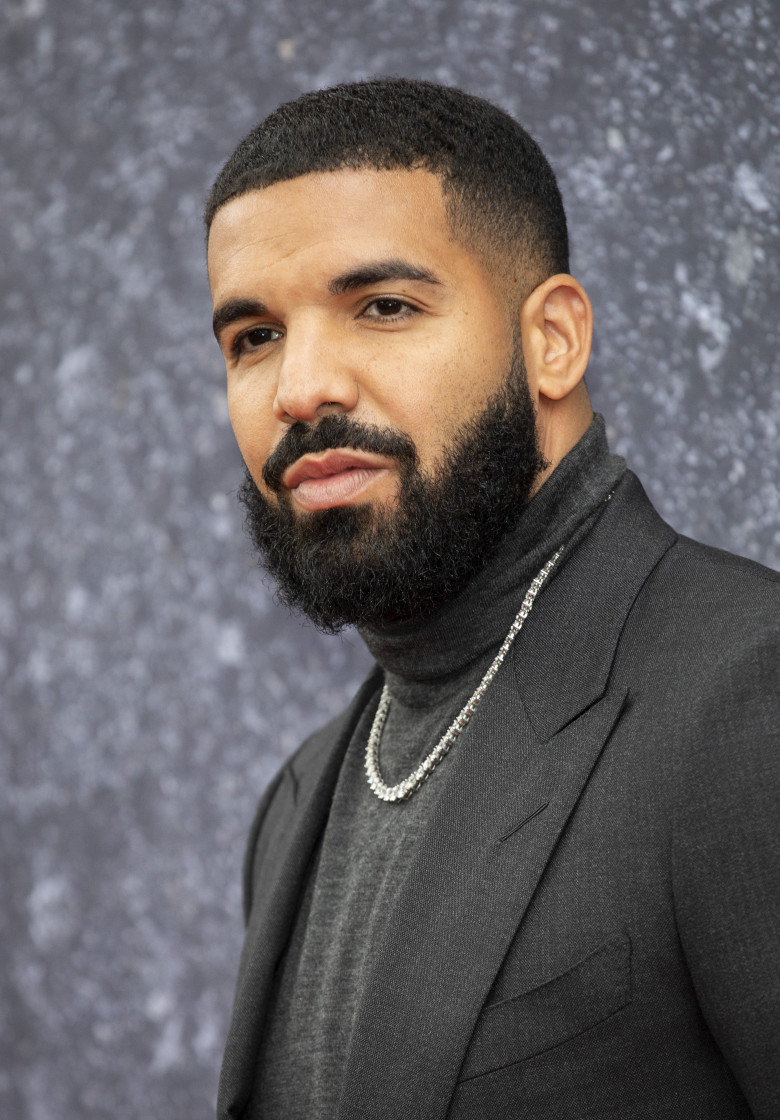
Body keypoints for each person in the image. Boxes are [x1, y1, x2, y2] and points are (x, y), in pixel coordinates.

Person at [205, 78, 780, 1120]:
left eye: (381, 306)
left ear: (552, 341)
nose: (299, 387)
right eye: (253, 337)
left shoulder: (748, 698)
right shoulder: (297, 799)